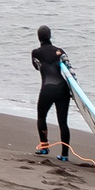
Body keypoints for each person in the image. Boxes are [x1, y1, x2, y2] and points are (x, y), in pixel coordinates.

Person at [30, 25, 72, 161]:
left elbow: (37, 67)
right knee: (63, 122)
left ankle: (44, 147)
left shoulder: (35, 53)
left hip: (47, 88)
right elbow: (70, 70)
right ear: (50, 36)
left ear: (38, 37)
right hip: (63, 88)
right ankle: (65, 155)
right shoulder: (60, 51)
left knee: (41, 117)